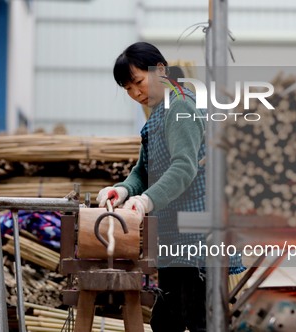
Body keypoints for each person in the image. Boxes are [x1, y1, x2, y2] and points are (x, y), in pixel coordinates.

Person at [96, 42, 243, 332]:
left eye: (138, 82)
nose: (135, 93)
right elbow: (142, 172)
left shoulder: (181, 105)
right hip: (176, 237)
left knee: (198, 320)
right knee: (167, 321)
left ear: (161, 70)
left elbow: (184, 167)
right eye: (128, 89)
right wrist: (124, 190)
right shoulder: (157, 115)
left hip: (199, 236)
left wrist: (145, 201)